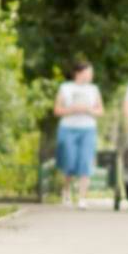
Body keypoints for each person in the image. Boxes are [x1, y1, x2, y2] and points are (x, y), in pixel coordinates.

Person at [53, 61, 103, 207]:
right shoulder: (65, 88)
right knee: (69, 162)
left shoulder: (94, 89)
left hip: (88, 129)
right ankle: (67, 191)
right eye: (89, 72)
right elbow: (57, 110)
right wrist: (72, 109)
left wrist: (88, 110)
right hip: (68, 128)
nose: (91, 75)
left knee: (85, 162)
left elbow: (100, 111)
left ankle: (82, 198)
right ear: (79, 73)